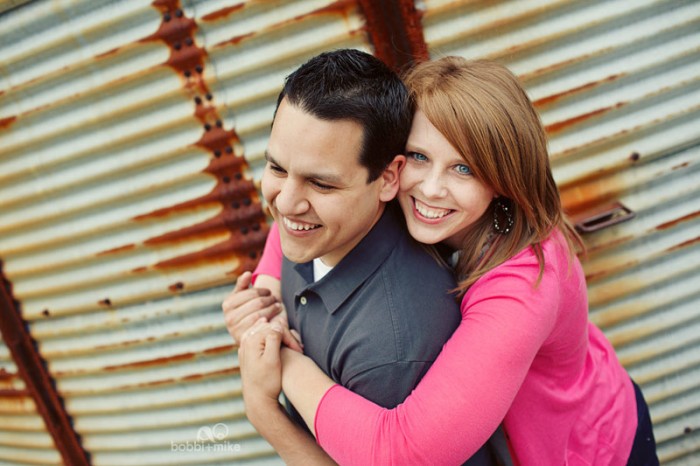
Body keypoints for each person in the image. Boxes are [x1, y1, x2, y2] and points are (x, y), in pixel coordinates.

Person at [232, 56, 659, 465]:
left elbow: (401, 454)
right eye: (420, 156)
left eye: (464, 169)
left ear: (503, 180)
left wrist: (280, 360)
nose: (431, 188)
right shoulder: (399, 191)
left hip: (588, 447)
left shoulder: (524, 284)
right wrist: (265, 293)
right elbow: (301, 213)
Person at [223, 50, 494, 465]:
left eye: (321, 184)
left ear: (388, 178)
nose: (286, 203)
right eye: (277, 168)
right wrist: (260, 306)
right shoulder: (320, 227)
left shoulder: (389, 353)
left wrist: (262, 409)